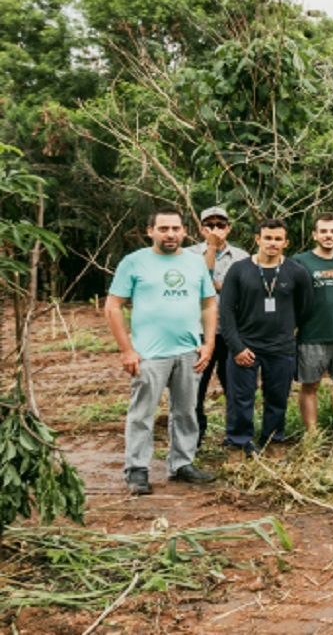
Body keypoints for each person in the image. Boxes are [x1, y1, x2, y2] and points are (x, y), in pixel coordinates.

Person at [106, 208, 217, 494]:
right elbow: (113, 306)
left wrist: (209, 344)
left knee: (186, 412)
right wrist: (126, 350)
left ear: (184, 231)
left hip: (188, 352)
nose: (171, 234)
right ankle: (137, 470)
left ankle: (182, 464)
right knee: (142, 414)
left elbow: (208, 304)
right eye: (164, 229)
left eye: (176, 229)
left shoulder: (195, 264)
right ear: (150, 231)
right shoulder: (134, 262)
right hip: (149, 355)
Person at [220, 218, 313, 456]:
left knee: (277, 398)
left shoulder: (296, 272)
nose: (272, 243)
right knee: (240, 398)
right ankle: (238, 441)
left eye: (278, 239)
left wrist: (288, 333)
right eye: (268, 238)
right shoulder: (239, 270)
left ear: (286, 242)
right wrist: (237, 347)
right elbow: (226, 311)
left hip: (281, 348)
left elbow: (305, 309)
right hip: (246, 346)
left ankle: (272, 440)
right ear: (257, 239)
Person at [291, 213, 333, 452]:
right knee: (309, 385)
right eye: (323, 231)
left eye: (332, 231)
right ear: (315, 235)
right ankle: (312, 436)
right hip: (311, 335)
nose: (328, 235)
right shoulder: (300, 262)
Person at [188, 206, 249, 448]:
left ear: (229, 228)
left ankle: (235, 437)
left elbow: (245, 292)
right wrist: (212, 248)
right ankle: (194, 438)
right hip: (199, 333)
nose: (216, 229)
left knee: (234, 388)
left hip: (231, 332)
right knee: (195, 390)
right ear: (202, 229)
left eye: (220, 225)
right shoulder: (190, 254)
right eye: (210, 225)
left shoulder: (242, 257)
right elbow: (199, 285)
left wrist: (221, 288)